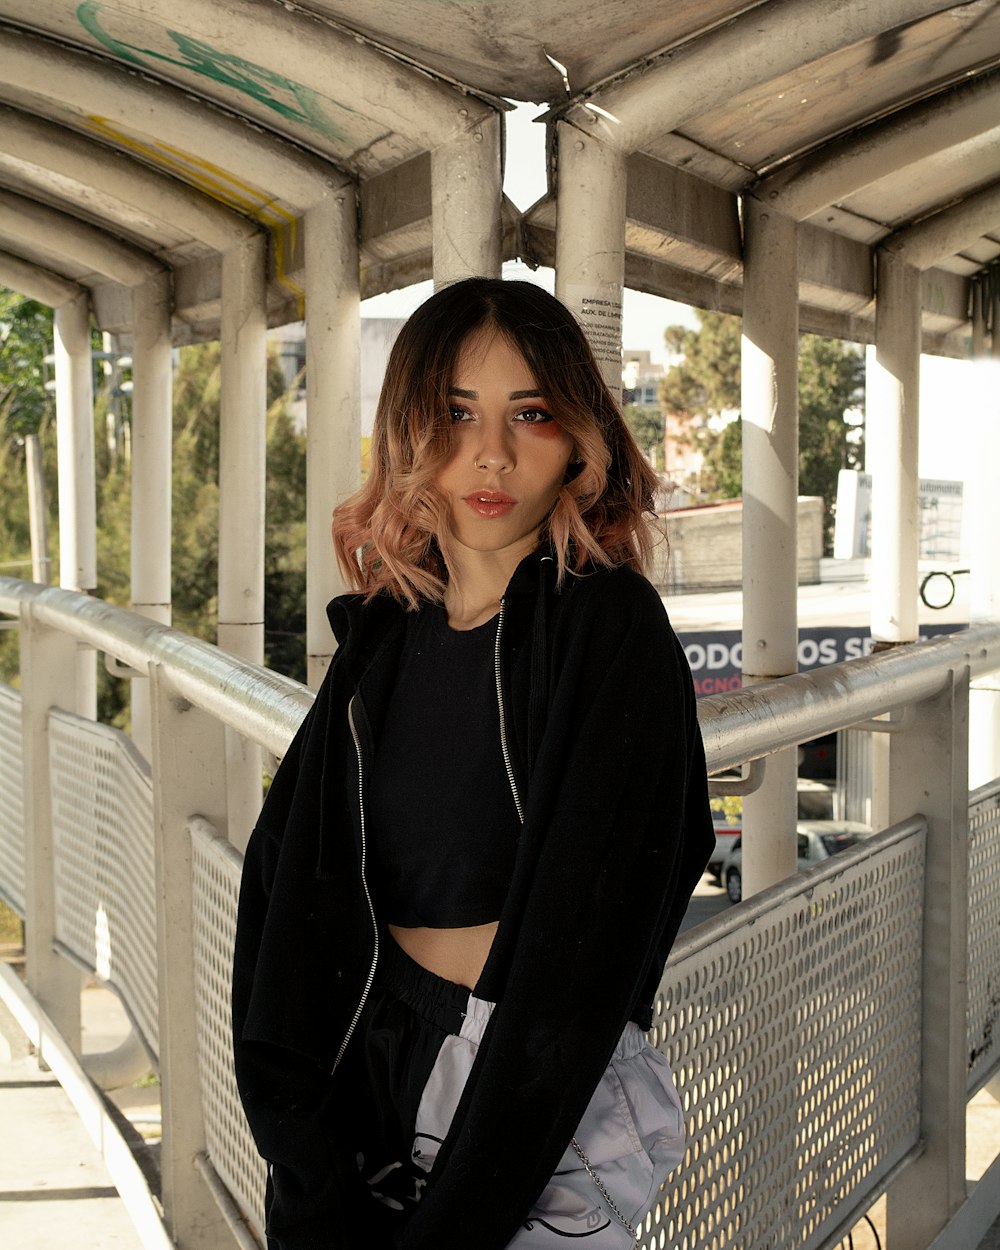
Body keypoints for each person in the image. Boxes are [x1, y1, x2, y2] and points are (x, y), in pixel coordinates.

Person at [232, 277, 715, 1250]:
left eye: (529, 413)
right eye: (454, 412)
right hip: (366, 1062)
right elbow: (281, 883)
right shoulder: (383, 637)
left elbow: (586, 962)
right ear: (407, 432)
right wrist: (300, 1138)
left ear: (581, 439)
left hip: (530, 1087)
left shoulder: (607, 632)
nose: (490, 453)